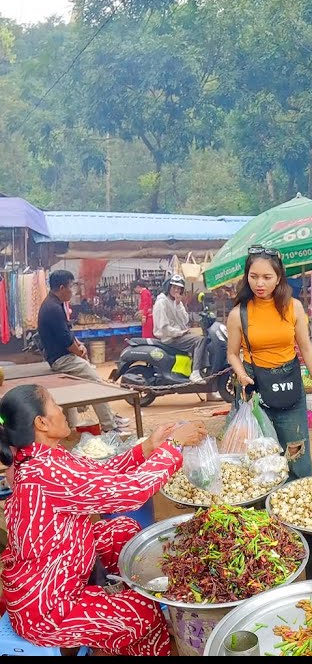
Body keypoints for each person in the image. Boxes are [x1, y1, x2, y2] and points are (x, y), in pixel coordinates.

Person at [0, 384, 206, 655]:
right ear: (41, 422)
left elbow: (100, 474)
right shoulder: (44, 472)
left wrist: (149, 447)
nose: (62, 410)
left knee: (123, 529)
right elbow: (131, 494)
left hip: (62, 567)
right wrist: (174, 446)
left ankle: (117, 606)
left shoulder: (44, 457)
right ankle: (137, 626)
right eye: (54, 404)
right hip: (48, 607)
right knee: (141, 613)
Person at [225, 246, 312, 480]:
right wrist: (241, 375)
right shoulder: (238, 314)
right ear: (246, 276)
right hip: (255, 391)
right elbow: (232, 354)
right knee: (260, 455)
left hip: (289, 385)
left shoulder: (294, 307)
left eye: (267, 277)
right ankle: (263, 509)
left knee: (296, 452)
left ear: (279, 278)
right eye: (254, 276)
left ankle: (296, 503)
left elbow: (306, 348)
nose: (260, 283)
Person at [37, 270, 129, 432]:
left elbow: (68, 332)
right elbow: (65, 340)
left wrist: (80, 345)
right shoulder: (52, 308)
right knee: (96, 383)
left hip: (63, 356)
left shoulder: (55, 304)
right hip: (61, 359)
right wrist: (79, 352)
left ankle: (80, 424)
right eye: (71, 287)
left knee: (86, 380)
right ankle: (109, 425)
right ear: (61, 287)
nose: (73, 291)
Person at [152, 274, 206, 383]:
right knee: (200, 340)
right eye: (174, 287)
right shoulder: (161, 302)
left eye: (179, 288)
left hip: (178, 335)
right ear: (168, 287)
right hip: (169, 338)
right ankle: (195, 372)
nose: (176, 291)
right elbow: (164, 328)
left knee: (205, 341)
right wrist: (179, 333)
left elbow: (185, 320)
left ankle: (204, 374)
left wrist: (178, 304)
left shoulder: (176, 302)